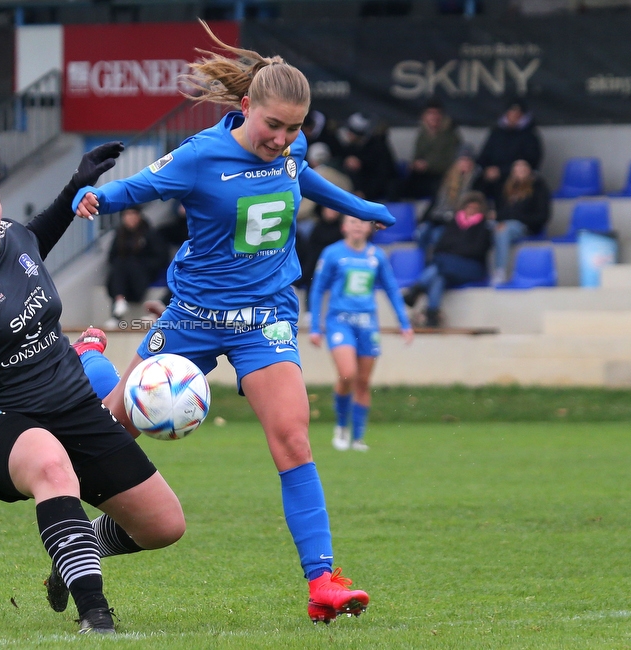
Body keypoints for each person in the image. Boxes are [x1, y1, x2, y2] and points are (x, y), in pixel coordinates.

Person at [72, 20, 397, 624]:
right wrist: (92, 197)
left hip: (266, 318)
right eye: (273, 125)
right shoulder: (200, 156)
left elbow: (304, 176)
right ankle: (93, 363)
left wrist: (360, 208)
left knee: (293, 437)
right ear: (247, 106)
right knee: (108, 435)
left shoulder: (291, 150)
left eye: (294, 128)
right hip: (194, 316)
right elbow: (143, 186)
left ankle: (322, 581)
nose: (282, 138)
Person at [0, 24, 184, 635]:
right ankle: (97, 618)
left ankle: (74, 555)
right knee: (52, 467)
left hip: (71, 403)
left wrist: (80, 180)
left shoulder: (13, 237)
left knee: (164, 525)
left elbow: (41, 233)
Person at [308, 215, 414, 452]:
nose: (357, 226)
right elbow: (318, 290)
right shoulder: (332, 253)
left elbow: (391, 289)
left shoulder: (377, 256)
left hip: (367, 323)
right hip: (340, 321)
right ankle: (340, 427)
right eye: (352, 222)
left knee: (363, 382)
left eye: (362, 222)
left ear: (370, 227)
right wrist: (315, 326)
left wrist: (404, 323)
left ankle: (358, 438)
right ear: (344, 226)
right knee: (347, 374)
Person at [403, 191, 492, 327]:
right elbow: (440, 247)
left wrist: (454, 250)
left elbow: (476, 251)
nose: (471, 211)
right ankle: (432, 313)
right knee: (439, 276)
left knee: (439, 264)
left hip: (472, 268)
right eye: (469, 207)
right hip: (448, 266)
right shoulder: (453, 224)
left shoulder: (484, 228)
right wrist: (458, 249)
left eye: (475, 209)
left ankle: (417, 289)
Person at [415, 144, 482, 261]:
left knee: (437, 236)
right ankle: (420, 264)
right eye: (462, 160)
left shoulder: (477, 181)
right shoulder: (447, 179)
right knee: (422, 233)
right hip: (438, 217)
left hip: (454, 221)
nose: (465, 164)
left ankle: (436, 264)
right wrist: (424, 220)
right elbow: (435, 203)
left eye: (467, 160)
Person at [491, 159, 551, 285]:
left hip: (527, 226)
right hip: (505, 223)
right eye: (517, 168)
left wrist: (511, 218)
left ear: (530, 171)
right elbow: (502, 212)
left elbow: (542, 216)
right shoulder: (507, 189)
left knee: (504, 229)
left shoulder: (538, 187)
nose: (521, 171)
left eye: (524, 168)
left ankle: (500, 271)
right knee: (486, 226)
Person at [105, 205, 166, 326]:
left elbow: (160, 258)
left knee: (126, 263)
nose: (130, 218)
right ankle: (119, 301)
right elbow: (112, 257)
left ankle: (118, 308)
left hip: (142, 276)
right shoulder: (120, 234)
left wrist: (139, 264)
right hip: (124, 277)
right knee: (120, 264)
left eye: (133, 215)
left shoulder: (149, 234)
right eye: (127, 215)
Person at [475, 98, 543, 200]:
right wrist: (486, 169)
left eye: (518, 113)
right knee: (477, 184)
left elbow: (531, 161)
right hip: (492, 175)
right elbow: (484, 155)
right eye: (511, 112)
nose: (514, 116)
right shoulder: (496, 133)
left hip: (514, 176)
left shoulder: (530, 136)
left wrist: (502, 171)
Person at [402, 99, 462, 199]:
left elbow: (453, 161)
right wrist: (414, 164)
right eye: (430, 113)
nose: (434, 117)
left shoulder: (451, 136)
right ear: (424, 116)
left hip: (442, 176)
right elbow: (417, 156)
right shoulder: (422, 135)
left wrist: (428, 165)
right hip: (423, 176)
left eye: (437, 113)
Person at [338, 112, 399, 201]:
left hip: (376, 191)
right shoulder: (349, 148)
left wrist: (364, 192)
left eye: (351, 132)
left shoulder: (379, 148)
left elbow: (383, 175)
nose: (348, 134)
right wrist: (346, 161)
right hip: (356, 190)